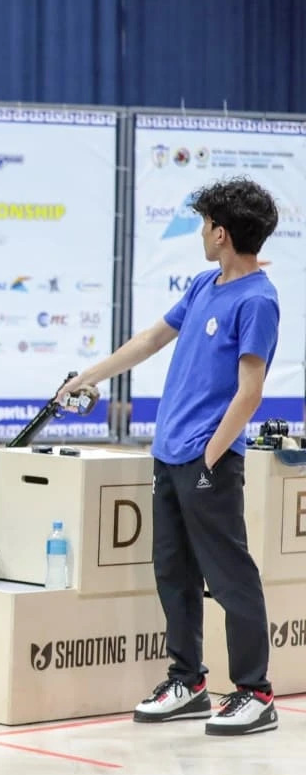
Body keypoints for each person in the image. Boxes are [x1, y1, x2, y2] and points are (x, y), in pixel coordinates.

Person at [58, 176, 280, 736]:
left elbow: (250, 391)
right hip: (169, 454)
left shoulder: (258, 300)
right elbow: (151, 340)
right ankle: (187, 681)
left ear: (222, 233)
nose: (201, 233)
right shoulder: (205, 284)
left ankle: (255, 692)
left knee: (229, 576)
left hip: (209, 461)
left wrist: (211, 455)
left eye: (205, 224)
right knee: (173, 573)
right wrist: (89, 376)